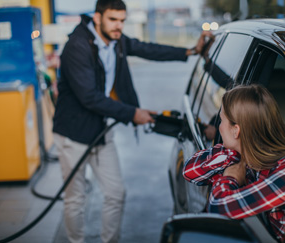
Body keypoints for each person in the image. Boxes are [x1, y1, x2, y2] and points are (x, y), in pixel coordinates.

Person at [52, 0, 212, 242]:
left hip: (100, 130)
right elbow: (89, 97)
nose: (119, 26)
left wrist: (189, 51)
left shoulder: (117, 40)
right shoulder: (77, 47)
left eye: (122, 20)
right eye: (113, 20)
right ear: (97, 18)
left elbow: (147, 49)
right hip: (73, 134)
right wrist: (132, 113)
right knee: (75, 199)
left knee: (116, 193)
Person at [183, 84, 285, 242]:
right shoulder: (246, 159)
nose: (219, 127)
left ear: (236, 130)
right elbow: (190, 171)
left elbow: (219, 208)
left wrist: (230, 178)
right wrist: (232, 151)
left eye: (221, 120)